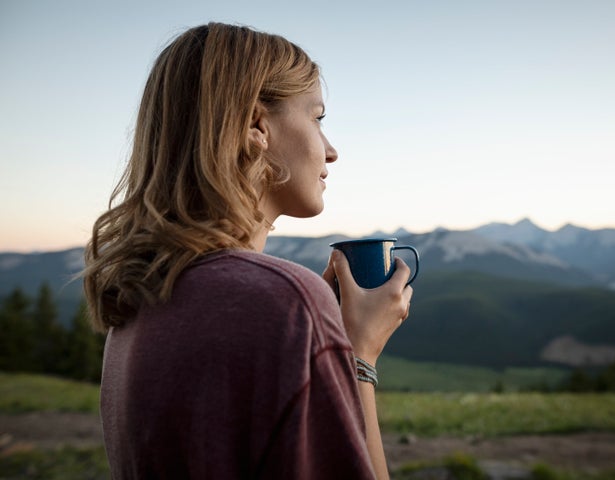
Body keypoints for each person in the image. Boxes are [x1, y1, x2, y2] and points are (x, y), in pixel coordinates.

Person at [83, 22, 413, 479]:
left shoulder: (139, 299)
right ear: (257, 125)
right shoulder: (287, 301)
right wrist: (358, 357)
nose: (331, 150)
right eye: (317, 118)